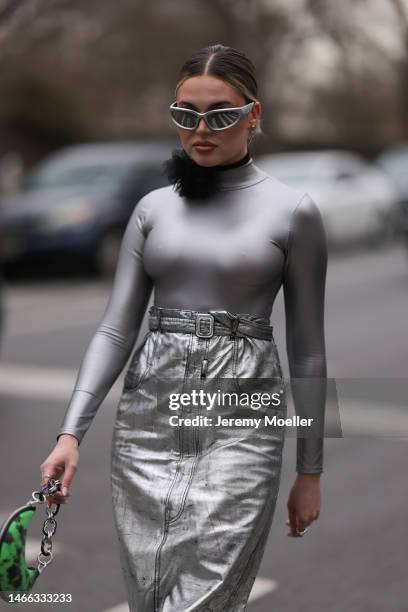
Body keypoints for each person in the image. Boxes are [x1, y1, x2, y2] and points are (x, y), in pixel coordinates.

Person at [40, 44, 327, 612]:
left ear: (254, 115)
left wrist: (310, 470)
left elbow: (309, 350)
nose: (200, 129)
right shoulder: (152, 209)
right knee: (148, 593)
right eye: (184, 114)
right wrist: (70, 434)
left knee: (204, 598)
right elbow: (116, 330)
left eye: (220, 114)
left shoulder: (294, 210)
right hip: (148, 416)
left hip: (245, 415)